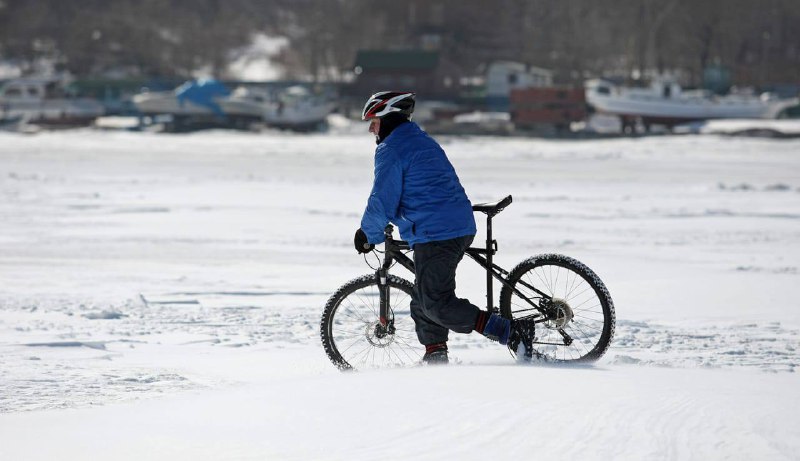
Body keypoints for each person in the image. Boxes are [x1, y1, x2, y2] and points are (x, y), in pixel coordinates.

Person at [353, 91, 533, 364]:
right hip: (451, 224)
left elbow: (383, 199)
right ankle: (435, 355)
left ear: (387, 119)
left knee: (436, 302)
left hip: (436, 231)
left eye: (374, 121)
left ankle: (510, 332)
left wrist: (368, 234)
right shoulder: (421, 140)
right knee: (423, 295)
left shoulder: (392, 149)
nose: (370, 128)